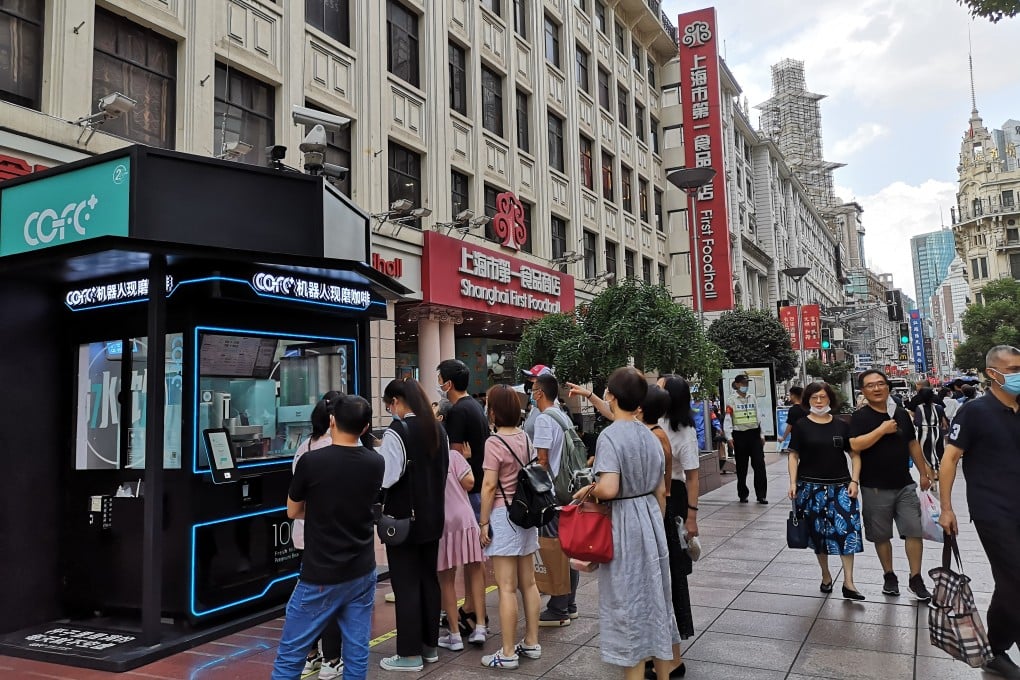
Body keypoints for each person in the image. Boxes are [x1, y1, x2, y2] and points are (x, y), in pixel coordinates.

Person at [575, 367, 681, 680]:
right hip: (650, 518)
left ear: (611, 395)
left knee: (627, 604)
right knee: (657, 603)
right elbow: (661, 491)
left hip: (624, 521)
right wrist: (653, 522)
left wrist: (588, 488)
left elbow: (609, 488)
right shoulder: (651, 435)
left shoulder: (609, 437)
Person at [271, 395, 383, 680]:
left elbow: (293, 510)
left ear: (332, 420)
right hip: (361, 569)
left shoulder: (312, 460)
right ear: (366, 427)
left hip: (320, 572)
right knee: (356, 653)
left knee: (290, 654)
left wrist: (321, 509)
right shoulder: (375, 462)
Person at [939, 345, 1020, 679]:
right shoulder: (974, 411)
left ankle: (995, 645)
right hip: (993, 511)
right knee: (1016, 579)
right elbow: (949, 460)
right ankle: (997, 650)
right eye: (1013, 369)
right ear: (993, 373)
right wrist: (946, 509)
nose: (1018, 375)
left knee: (1010, 583)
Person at [376, 379, 450, 671]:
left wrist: (380, 452)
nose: (389, 410)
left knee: (405, 585)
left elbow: (387, 477)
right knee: (428, 581)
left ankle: (408, 654)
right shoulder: (438, 429)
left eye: (389, 404)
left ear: (397, 401)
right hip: (433, 517)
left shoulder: (399, 432)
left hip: (404, 520)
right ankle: (429, 647)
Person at [848, 369, 935, 602]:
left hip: (904, 484)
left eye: (880, 384)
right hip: (874, 487)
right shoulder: (860, 417)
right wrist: (881, 430)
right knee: (881, 536)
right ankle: (889, 575)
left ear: (888, 387)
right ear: (863, 391)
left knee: (913, 531)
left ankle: (916, 579)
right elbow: (855, 445)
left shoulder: (900, 414)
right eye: (870, 385)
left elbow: (912, 443)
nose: (876, 388)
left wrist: (924, 472)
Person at [478, 384, 542, 669]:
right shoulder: (525, 438)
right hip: (526, 516)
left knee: (505, 586)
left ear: (494, 411)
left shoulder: (493, 442)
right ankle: (531, 642)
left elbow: (490, 485)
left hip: (504, 518)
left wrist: (482, 522)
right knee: (528, 582)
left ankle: (506, 652)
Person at [786, 382, 864, 600]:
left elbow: (855, 454)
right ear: (807, 401)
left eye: (822, 397)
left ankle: (849, 582)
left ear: (830, 399)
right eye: (814, 398)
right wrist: (793, 482)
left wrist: (854, 481)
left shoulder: (841, 425)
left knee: (847, 532)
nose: (819, 401)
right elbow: (793, 455)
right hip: (810, 488)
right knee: (818, 535)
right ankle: (826, 575)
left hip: (841, 487)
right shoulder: (801, 425)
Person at [642, 383, 693, 679]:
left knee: (668, 581)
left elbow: (670, 484)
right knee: (660, 581)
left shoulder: (660, 435)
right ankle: (662, 654)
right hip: (661, 507)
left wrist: (689, 517)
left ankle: (672, 657)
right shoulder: (653, 429)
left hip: (665, 508)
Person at [436, 359, 489, 643]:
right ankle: (475, 615)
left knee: (454, 566)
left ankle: (463, 620)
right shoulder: (476, 407)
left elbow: (453, 458)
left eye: (440, 379)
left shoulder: (457, 412)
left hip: (464, 497)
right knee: (475, 561)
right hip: (478, 491)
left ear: (448, 383)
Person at [293, 391, 345, 680]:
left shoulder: (304, 447)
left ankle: (310, 656)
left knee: (309, 598)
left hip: (305, 535)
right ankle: (333, 659)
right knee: (331, 600)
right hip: (332, 535)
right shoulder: (338, 448)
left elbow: (295, 500)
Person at [532, 373, 580, 627]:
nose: (531, 392)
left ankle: (558, 607)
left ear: (540, 392)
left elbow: (542, 460)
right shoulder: (562, 415)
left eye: (533, 388)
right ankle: (569, 603)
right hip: (569, 490)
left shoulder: (543, 419)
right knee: (567, 547)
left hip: (552, 491)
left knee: (554, 548)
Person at [723, 374, 768, 504]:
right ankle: (743, 494)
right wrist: (729, 436)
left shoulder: (752, 398)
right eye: (743, 383)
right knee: (741, 467)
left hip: (754, 434)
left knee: (759, 465)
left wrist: (762, 434)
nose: (745, 386)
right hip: (739, 435)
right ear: (736, 384)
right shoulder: (731, 400)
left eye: (746, 383)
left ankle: (761, 495)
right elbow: (728, 418)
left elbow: (759, 416)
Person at [912, 387, 947, 473]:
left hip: (924, 433)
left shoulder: (919, 408)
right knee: (938, 452)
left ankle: (932, 475)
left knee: (926, 455)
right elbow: (943, 421)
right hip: (937, 432)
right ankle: (938, 471)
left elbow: (917, 423)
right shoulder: (939, 407)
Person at [522, 364, 554, 439]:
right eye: (529, 378)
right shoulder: (536, 407)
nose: (530, 383)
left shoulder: (547, 411)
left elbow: (543, 447)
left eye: (533, 379)